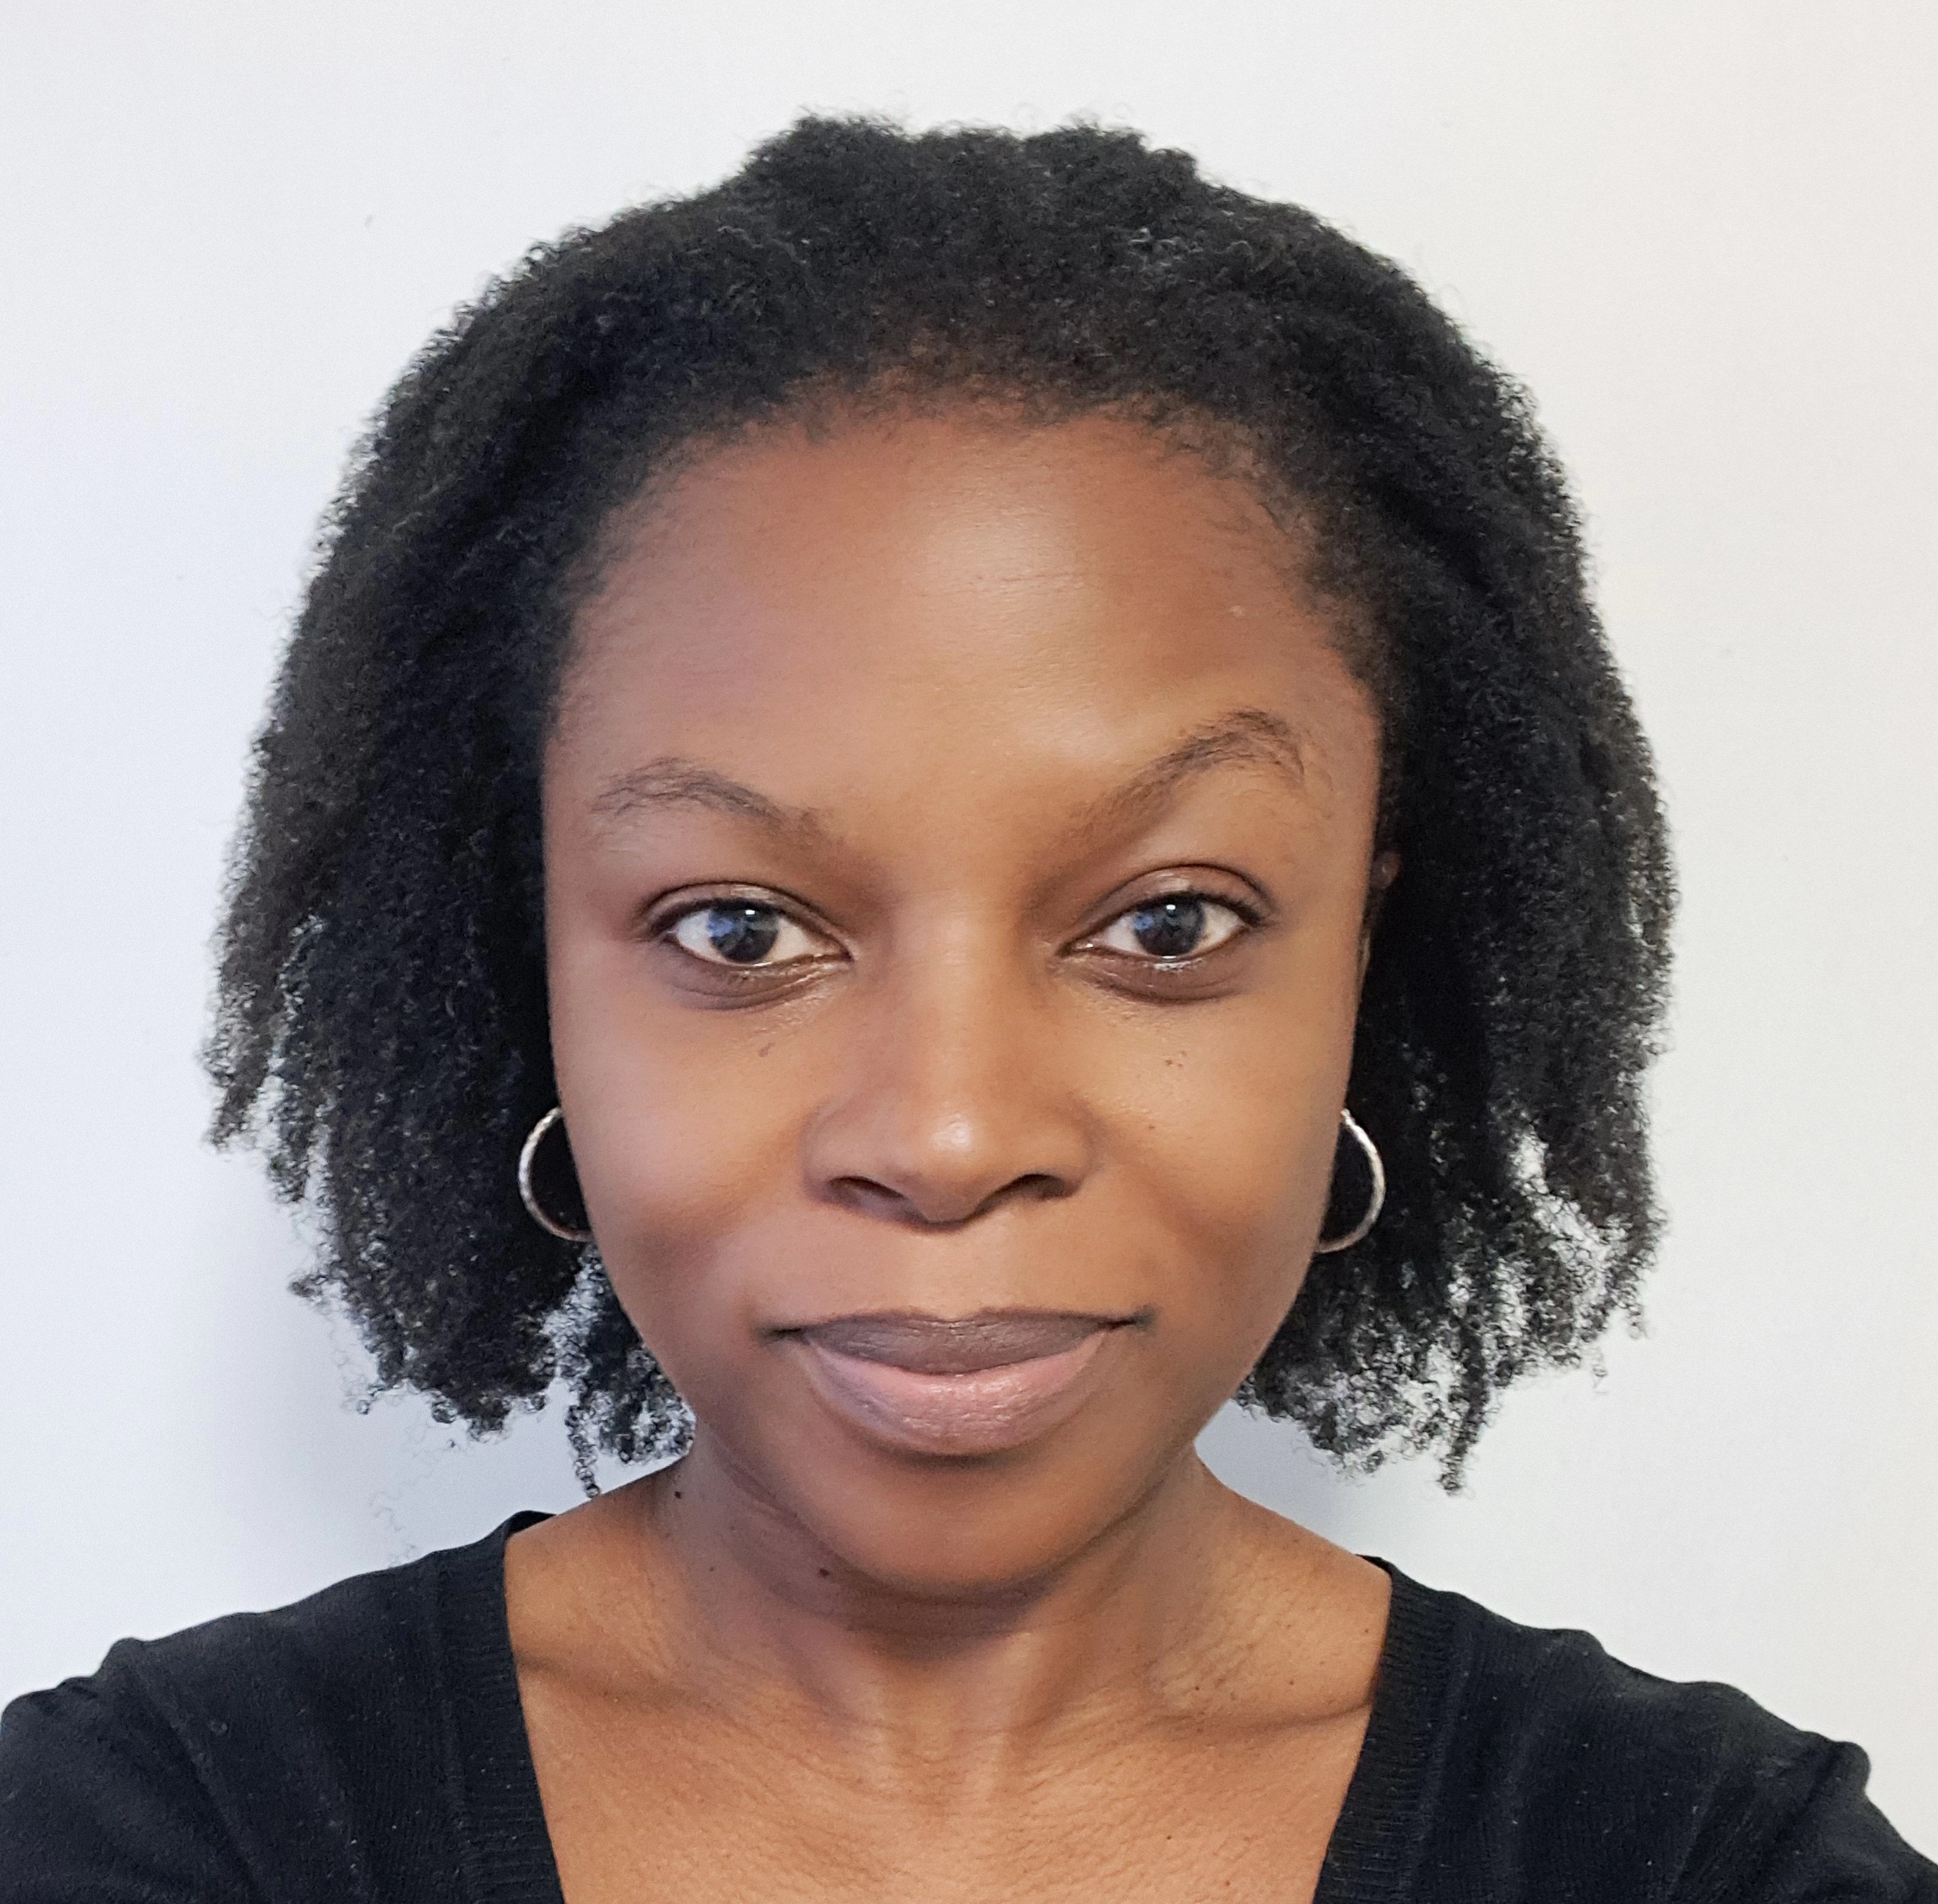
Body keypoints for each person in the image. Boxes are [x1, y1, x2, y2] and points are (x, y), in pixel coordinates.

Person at [1, 116, 1929, 1903]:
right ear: (533, 972)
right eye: (738, 929)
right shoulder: (145, 1841)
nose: (945, 1137)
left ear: (1367, 955)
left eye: (1166, 922)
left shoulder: (1701, 1869)